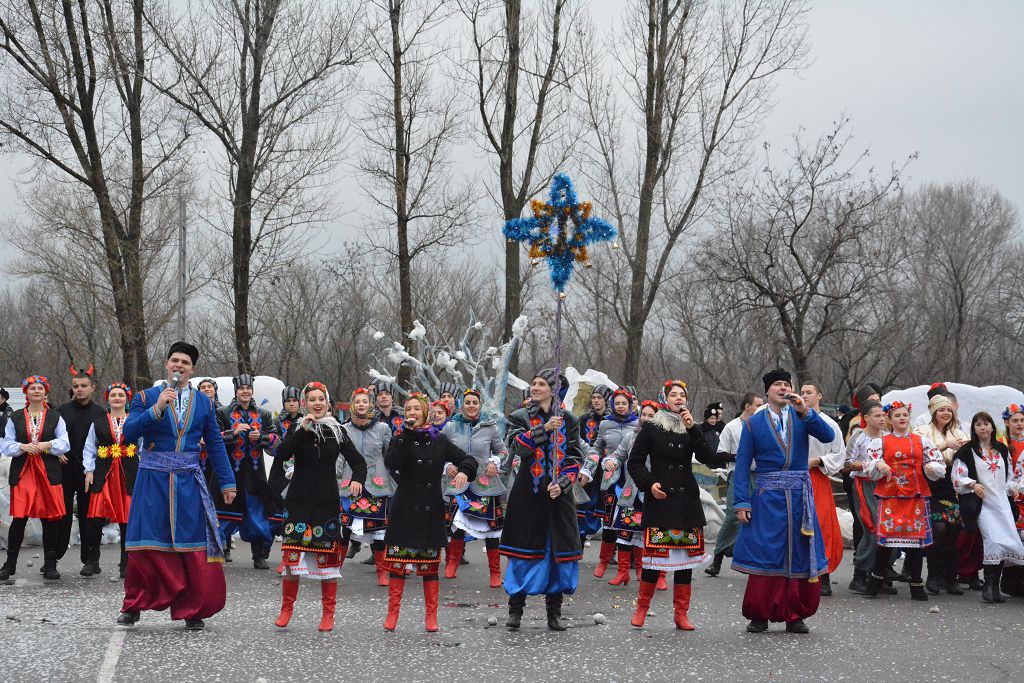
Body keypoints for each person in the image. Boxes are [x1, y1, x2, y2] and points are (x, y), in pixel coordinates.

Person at [117, 341, 237, 630]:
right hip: (152, 480)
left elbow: (217, 445)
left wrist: (227, 482)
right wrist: (156, 409)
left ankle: (192, 608)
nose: (179, 365)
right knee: (145, 545)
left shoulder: (206, 403)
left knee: (192, 545)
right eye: (174, 360)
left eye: (185, 362)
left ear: (192, 369)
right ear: (166, 364)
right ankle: (133, 606)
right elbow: (128, 435)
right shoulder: (146, 397)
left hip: (188, 481)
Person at [733, 369, 835, 635]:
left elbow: (828, 436)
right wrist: (742, 502)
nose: (782, 388)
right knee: (767, 552)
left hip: (800, 498)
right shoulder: (754, 423)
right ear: (767, 391)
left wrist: (807, 411)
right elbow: (742, 465)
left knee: (799, 552)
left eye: (786, 384)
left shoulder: (802, 416)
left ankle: (795, 614)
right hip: (768, 497)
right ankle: (759, 614)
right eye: (777, 384)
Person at [273, 382, 367, 632]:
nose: (317, 403)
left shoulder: (337, 430)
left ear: (328, 403)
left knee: (328, 563)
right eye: (312, 399)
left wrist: (358, 479)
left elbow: (358, 461)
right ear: (305, 404)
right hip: (298, 503)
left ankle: (328, 614)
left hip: (326, 503)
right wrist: (302, 430)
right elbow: (281, 453)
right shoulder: (297, 428)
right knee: (292, 557)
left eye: (321, 399)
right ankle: (286, 609)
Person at [382, 393, 476, 632]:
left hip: (430, 511)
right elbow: (392, 463)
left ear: (426, 412)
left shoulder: (439, 439)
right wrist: (404, 435)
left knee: (429, 568)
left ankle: (431, 617)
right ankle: (393, 615)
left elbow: (467, 459)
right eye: (408, 409)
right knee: (398, 565)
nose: (412, 412)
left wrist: (464, 471)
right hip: (404, 509)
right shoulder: (400, 437)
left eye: (416, 408)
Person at [500, 369, 584, 632]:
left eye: (541, 384)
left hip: (558, 500)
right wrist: (544, 430)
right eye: (534, 383)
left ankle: (554, 612)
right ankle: (516, 609)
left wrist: (563, 484)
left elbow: (574, 458)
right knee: (525, 553)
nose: (534, 388)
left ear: (554, 389)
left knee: (556, 553)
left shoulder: (569, 420)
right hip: (528, 496)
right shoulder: (520, 416)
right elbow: (517, 448)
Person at [627, 380, 715, 630]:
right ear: (665, 398)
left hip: (686, 502)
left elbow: (708, 458)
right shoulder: (652, 427)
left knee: (685, 564)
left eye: (682, 395)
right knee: (655, 561)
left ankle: (681, 614)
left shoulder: (691, 427)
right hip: (661, 500)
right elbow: (634, 463)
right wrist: (649, 484)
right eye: (673, 394)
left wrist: (694, 430)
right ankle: (642, 609)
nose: (678, 398)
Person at [863, 401, 945, 600]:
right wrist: (878, 464)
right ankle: (876, 580)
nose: (902, 418)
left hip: (915, 496)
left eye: (904, 415)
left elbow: (936, 461)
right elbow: (870, 465)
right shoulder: (881, 442)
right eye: (897, 415)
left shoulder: (921, 441)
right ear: (890, 420)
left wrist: (932, 467)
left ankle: (916, 584)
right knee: (885, 541)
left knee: (915, 542)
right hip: (891, 496)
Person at [0, 375, 70, 581]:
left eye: (40, 388)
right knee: (19, 517)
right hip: (24, 471)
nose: (36, 391)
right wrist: (22, 446)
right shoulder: (16, 417)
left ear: (45, 392)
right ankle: (9, 564)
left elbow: (65, 443)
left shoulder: (55, 417)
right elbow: (6, 444)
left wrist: (47, 445)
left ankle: (50, 565)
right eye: (32, 388)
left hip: (48, 471)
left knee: (49, 517)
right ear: (26, 393)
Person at [951, 412, 1024, 603]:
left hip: (1001, 503)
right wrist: (972, 485)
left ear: (992, 427)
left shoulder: (1002, 449)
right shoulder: (967, 451)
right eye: (978, 425)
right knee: (993, 540)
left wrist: (1013, 488)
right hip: (983, 504)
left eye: (986, 424)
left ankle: (995, 588)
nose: (983, 428)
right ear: (974, 429)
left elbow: (1009, 477)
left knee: (1006, 542)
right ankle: (987, 586)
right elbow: (958, 476)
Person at [441, 388, 509, 585]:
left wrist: (494, 461)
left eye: (475, 403)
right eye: (468, 402)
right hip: (460, 483)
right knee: (457, 524)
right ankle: (453, 562)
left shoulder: (490, 427)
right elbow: (440, 451)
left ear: (480, 406)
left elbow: (503, 452)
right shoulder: (451, 427)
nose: (471, 406)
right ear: (462, 405)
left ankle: (495, 572)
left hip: (485, 483)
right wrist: (448, 465)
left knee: (491, 528)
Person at [215, 374, 281, 569]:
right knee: (224, 513)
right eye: (241, 388)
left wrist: (261, 436)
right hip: (230, 472)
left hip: (255, 474)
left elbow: (276, 442)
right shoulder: (223, 413)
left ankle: (258, 555)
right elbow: (214, 439)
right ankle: (218, 551)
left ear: (252, 390)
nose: (245, 391)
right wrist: (232, 433)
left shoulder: (264, 414)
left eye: (248, 388)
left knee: (257, 514)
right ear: (236, 391)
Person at [603, 400, 665, 590]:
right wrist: (610, 461)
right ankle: (623, 572)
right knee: (626, 530)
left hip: (655, 491)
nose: (646, 418)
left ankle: (659, 574)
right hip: (632, 490)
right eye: (643, 415)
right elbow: (618, 455)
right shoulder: (631, 437)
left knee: (655, 534)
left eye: (651, 416)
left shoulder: (664, 437)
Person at [82, 382, 139, 579]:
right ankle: (92, 561)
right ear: (107, 398)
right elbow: (90, 447)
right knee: (96, 517)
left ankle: (126, 562)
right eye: (113, 394)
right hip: (104, 473)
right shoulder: (98, 421)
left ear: (127, 399)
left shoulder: (134, 421)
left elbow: (142, 445)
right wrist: (89, 470)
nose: (117, 398)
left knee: (127, 518)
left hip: (128, 473)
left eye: (121, 395)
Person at [914, 394, 969, 595]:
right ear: (933, 412)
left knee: (954, 532)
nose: (945, 413)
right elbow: (919, 453)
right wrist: (946, 445)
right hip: (930, 485)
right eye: (941, 410)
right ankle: (933, 574)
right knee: (938, 529)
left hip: (952, 486)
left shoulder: (960, 433)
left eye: (948, 409)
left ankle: (951, 577)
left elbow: (970, 457)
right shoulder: (923, 431)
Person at [340, 387, 395, 585]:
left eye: (365, 401)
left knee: (379, 529)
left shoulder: (382, 429)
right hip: (350, 482)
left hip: (377, 483)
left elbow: (390, 456)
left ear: (371, 404)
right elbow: (339, 459)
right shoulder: (344, 429)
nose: (361, 405)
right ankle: (334, 569)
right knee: (345, 526)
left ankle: (382, 571)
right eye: (357, 401)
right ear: (352, 405)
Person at [705, 392, 763, 577]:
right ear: (747, 406)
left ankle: (754, 561)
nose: (761, 409)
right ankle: (717, 558)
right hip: (739, 474)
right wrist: (741, 456)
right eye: (757, 405)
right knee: (733, 515)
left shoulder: (764, 426)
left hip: (761, 475)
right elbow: (720, 454)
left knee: (759, 517)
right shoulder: (732, 427)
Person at [57, 365, 108, 576]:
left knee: (90, 515)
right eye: (76, 386)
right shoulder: (61, 411)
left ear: (92, 387)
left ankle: (90, 559)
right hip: (65, 469)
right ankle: (54, 556)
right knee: (63, 514)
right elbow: (52, 435)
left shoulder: (101, 413)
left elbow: (106, 440)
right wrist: (54, 450)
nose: (80, 389)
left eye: (84, 386)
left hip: (91, 471)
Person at [800, 383, 846, 596]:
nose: (804, 395)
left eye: (808, 392)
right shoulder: (790, 420)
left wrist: (817, 460)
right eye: (801, 392)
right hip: (793, 477)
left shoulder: (828, 424)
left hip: (817, 477)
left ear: (819, 395)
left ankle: (823, 574)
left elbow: (839, 454)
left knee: (821, 524)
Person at [593, 388, 641, 586]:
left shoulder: (639, 424)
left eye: (624, 403)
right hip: (612, 477)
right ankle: (604, 561)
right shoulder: (605, 424)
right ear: (612, 405)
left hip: (634, 478)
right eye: (617, 403)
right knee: (610, 519)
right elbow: (596, 446)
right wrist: (597, 459)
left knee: (634, 521)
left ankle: (637, 567)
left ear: (631, 405)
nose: (621, 407)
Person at [580, 384, 612, 573]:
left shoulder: (613, 421)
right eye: (594, 397)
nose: (596, 401)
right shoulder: (584, 419)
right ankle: (578, 545)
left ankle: (611, 553)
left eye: (600, 397)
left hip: (608, 469)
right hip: (588, 468)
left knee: (608, 509)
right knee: (583, 507)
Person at [999, 403, 1024, 596]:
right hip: (1009, 495)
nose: (1020, 424)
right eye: (1015, 420)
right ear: (1006, 422)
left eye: (1022, 420)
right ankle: (1010, 584)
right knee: (1012, 538)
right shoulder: (1002, 444)